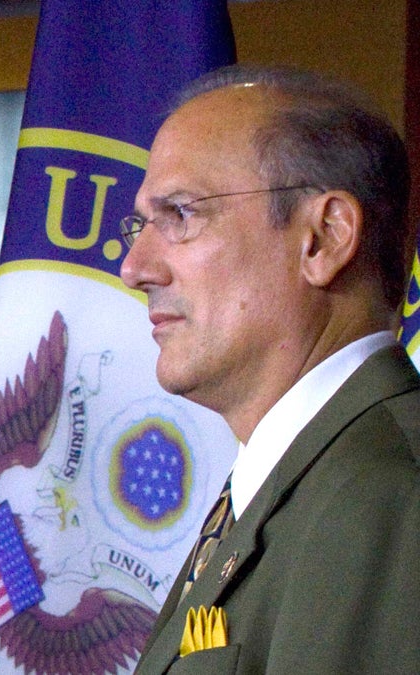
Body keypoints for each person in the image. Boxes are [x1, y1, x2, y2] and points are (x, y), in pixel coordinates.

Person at [119, 64, 420, 673]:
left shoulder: (387, 497)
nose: (135, 267)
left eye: (180, 214)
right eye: (142, 223)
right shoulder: (310, 477)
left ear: (324, 239)